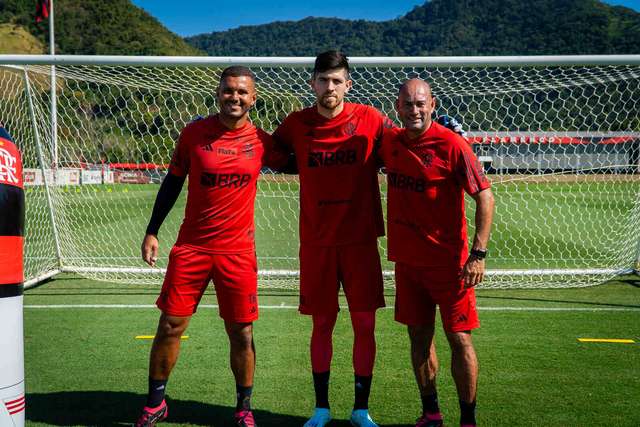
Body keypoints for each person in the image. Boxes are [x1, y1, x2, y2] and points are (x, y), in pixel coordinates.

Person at [135, 65, 281, 427]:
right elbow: (172, 182)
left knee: (242, 332)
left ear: (253, 98)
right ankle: (155, 403)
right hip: (193, 248)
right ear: (218, 94)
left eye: (242, 92)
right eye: (228, 90)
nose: (235, 97)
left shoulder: (262, 141)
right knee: (170, 324)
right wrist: (152, 230)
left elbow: (304, 162)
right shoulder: (194, 134)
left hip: (238, 252)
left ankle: (244, 408)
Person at [273, 51, 394, 427]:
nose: (330, 87)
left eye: (337, 80)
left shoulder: (371, 119)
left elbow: (402, 146)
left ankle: (361, 410)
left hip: (360, 242)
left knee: (365, 325)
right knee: (321, 325)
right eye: (323, 80)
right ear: (312, 83)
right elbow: (271, 152)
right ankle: (321, 408)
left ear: (348, 85)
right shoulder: (296, 123)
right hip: (317, 243)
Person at [378, 78, 494, 427]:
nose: (414, 110)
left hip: (450, 265)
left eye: (420, 103)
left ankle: (468, 420)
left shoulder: (453, 145)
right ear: (397, 107)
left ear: (432, 105)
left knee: (459, 338)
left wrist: (478, 254)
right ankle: (431, 414)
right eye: (408, 104)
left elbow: (485, 197)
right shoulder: (391, 142)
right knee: (418, 337)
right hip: (407, 264)